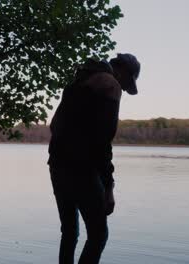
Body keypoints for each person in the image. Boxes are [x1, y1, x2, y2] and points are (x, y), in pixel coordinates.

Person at [48, 53, 141, 264]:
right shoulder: (110, 85)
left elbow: (54, 126)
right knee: (98, 235)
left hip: (57, 165)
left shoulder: (79, 81)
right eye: (128, 83)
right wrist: (109, 186)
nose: (125, 89)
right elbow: (103, 140)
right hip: (82, 170)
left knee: (70, 232)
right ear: (123, 71)